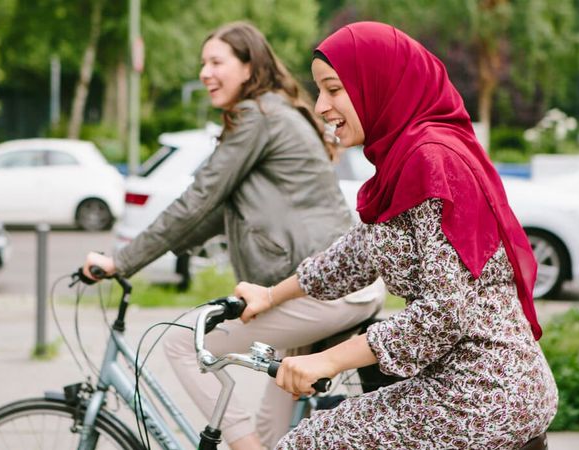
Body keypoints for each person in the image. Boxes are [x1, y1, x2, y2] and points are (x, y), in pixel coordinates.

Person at [234, 22, 559, 449]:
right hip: (471, 383)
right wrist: (271, 295)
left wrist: (327, 360)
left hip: (482, 392)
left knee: (308, 441)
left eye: (333, 89)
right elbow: (357, 254)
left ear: (378, 83)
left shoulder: (430, 160)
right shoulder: (405, 160)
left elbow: (444, 313)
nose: (320, 106)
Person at [83, 22, 384, 450]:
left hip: (322, 291)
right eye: (202, 63)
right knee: (268, 432)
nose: (205, 72)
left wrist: (123, 261)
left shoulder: (257, 115)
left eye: (216, 62)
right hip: (333, 287)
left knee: (180, 343)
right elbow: (213, 214)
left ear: (248, 67)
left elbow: (198, 199)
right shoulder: (272, 112)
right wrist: (155, 255)